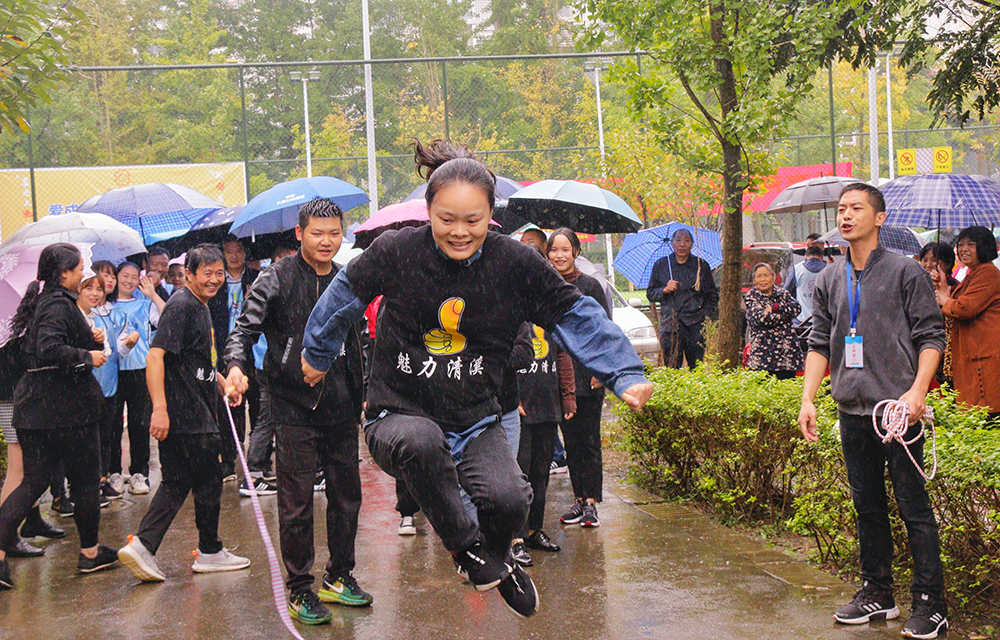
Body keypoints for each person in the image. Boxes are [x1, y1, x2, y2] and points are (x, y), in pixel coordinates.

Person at [297, 139, 653, 618]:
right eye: (447, 220)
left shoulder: (514, 263)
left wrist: (621, 370)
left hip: (474, 420)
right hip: (396, 414)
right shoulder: (398, 251)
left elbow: (571, 311)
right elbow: (343, 295)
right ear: (428, 212)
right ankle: (467, 551)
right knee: (422, 442)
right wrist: (318, 352)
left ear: (491, 216)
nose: (460, 232)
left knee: (511, 501)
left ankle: (498, 559)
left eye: (473, 220)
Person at [799, 183, 948, 639]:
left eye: (856, 208)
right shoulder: (830, 277)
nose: (846, 216)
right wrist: (807, 398)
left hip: (898, 414)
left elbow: (931, 337)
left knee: (913, 507)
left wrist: (917, 392)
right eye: (842, 209)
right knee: (867, 506)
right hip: (852, 409)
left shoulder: (905, 271)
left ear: (879, 218)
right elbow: (820, 342)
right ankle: (878, 591)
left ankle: (931, 603)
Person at [223, 200, 370, 625]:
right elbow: (243, 330)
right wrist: (235, 367)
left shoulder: (347, 279)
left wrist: (364, 391)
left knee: (347, 498)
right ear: (300, 234)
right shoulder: (276, 278)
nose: (326, 241)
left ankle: (339, 576)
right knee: (296, 504)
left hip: (341, 407)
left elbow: (359, 339)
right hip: (293, 407)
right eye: (317, 233)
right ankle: (300, 588)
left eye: (334, 233)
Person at [118, 245, 251, 582]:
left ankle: (153, 546)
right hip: (186, 414)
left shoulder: (199, 306)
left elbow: (198, 362)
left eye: (219, 273)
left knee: (186, 481)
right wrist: (160, 409)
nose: (215, 280)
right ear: (189, 274)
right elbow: (155, 357)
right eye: (207, 273)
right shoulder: (182, 305)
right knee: (201, 480)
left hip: (197, 410)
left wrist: (223, 384)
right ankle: (203, 550)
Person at [0, 243, 121, 590]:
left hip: (38, 410)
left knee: (33, 482)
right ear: (64, 273)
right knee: (85, 482)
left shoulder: (44, 302)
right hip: (67, 410)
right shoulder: (57, 304)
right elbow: (49, 348)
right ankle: (90, 553)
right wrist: (86, 355)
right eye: (80, 268)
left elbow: (37, 349)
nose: (83, 274)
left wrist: (89, 338)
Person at [546, 227, 611, 529]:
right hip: (560, 376)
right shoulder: (545, 286)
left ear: (576, 252)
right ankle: (578, 497)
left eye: (565, 249)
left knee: (589, 441)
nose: (559, 255)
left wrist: (601, 370)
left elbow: (603, 330)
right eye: (554, 250)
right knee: (571, 442)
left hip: (587, 374)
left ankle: (591, 503)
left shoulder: (590, 286)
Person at [512, 314, 576, 566]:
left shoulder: (550, 319)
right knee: (519, 475)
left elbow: (563, 356)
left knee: (541, 474)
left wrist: (568, 395)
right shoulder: (512, 316)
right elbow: (501, 359)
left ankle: (533, 530)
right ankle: (515, 538)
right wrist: (511, 397)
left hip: (548, 407)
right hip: (520, 411)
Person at [241, 244, 297, 498]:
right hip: (269, 363)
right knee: (267, 418)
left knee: (270, 417)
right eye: (285, 259)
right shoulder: (269, 285)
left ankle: (260, 467)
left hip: (276, 362)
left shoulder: (280, 282)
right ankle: (252, 474)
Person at [78, 270, 138, 502]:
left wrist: (129, 343)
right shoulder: (75, 317)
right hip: (84, 389)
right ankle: (77, 489)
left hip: (108, 384)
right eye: (89, 288)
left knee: (105, 435)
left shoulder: (111, 315)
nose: (95, 293)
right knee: (86, 439)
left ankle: (101, 481)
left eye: (99, 289)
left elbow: (113, 350)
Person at [932, 226, 1000, 420]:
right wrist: (943, 287)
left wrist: (945, 299)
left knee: (985, 414)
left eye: (971, 244)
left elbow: (964, 308)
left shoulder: (988, 273)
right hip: (973, 353)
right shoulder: (973, 273)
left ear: (984, 247)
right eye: (960, 244)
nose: (964, 249)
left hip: (983, 356)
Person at [112, 261, 165, 495]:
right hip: (112, 371)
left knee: (140, 423)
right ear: (116, 277)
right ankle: (114, 472)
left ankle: (139, 473)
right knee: (113, 425)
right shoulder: (105, 304)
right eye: (125, 275)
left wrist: (152, 294)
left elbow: (167, 317)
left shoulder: (145, 305)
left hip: (140, 370)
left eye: (135, 277)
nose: (129, 281)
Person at [210, 234, 260, 482]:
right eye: (228, 251)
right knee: (230, 407)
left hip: (254, 351)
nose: (234, 256)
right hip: (224, 352)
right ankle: (229, 459)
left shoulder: (257, 279)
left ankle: (258, 460)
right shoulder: (216, 283)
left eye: (238, 250)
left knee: (258, 405)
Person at [646, 228, 719, 369]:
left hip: (695, 324)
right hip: (670, 325)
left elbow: (712, 295)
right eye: (678, 240)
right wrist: (664, 290)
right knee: (672, 367)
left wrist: (704, 315)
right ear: (672, 243)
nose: (682, 244)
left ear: (692, 244)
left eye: (686, 240)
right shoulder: (661, 265)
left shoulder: (701, 265)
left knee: (696, 367)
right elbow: (650, 293)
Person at [744, 263, 803, 379]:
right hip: (763, 357)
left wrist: (775, 308)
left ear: (773, 277)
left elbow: (796, 308)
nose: (763, 279)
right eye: (759, 276)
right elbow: (761, 318)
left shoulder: (783, 293)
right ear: (754, 280)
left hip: (787, 356)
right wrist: (785, 317)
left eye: (766, 275)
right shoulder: (752, 296)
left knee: (787, 387)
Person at [918, 243, 958, 386]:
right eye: (925, 260)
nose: (929, 265)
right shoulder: (919, 283)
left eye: (934, 260)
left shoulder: (955, 286)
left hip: (947, 347)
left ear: (947, 262)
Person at [785, 244, 827, 325]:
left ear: (806, 257)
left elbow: (786, 291)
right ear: (822, 257)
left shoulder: (797, 269)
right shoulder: (829, 269)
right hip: (823, 320)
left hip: (802, 320)